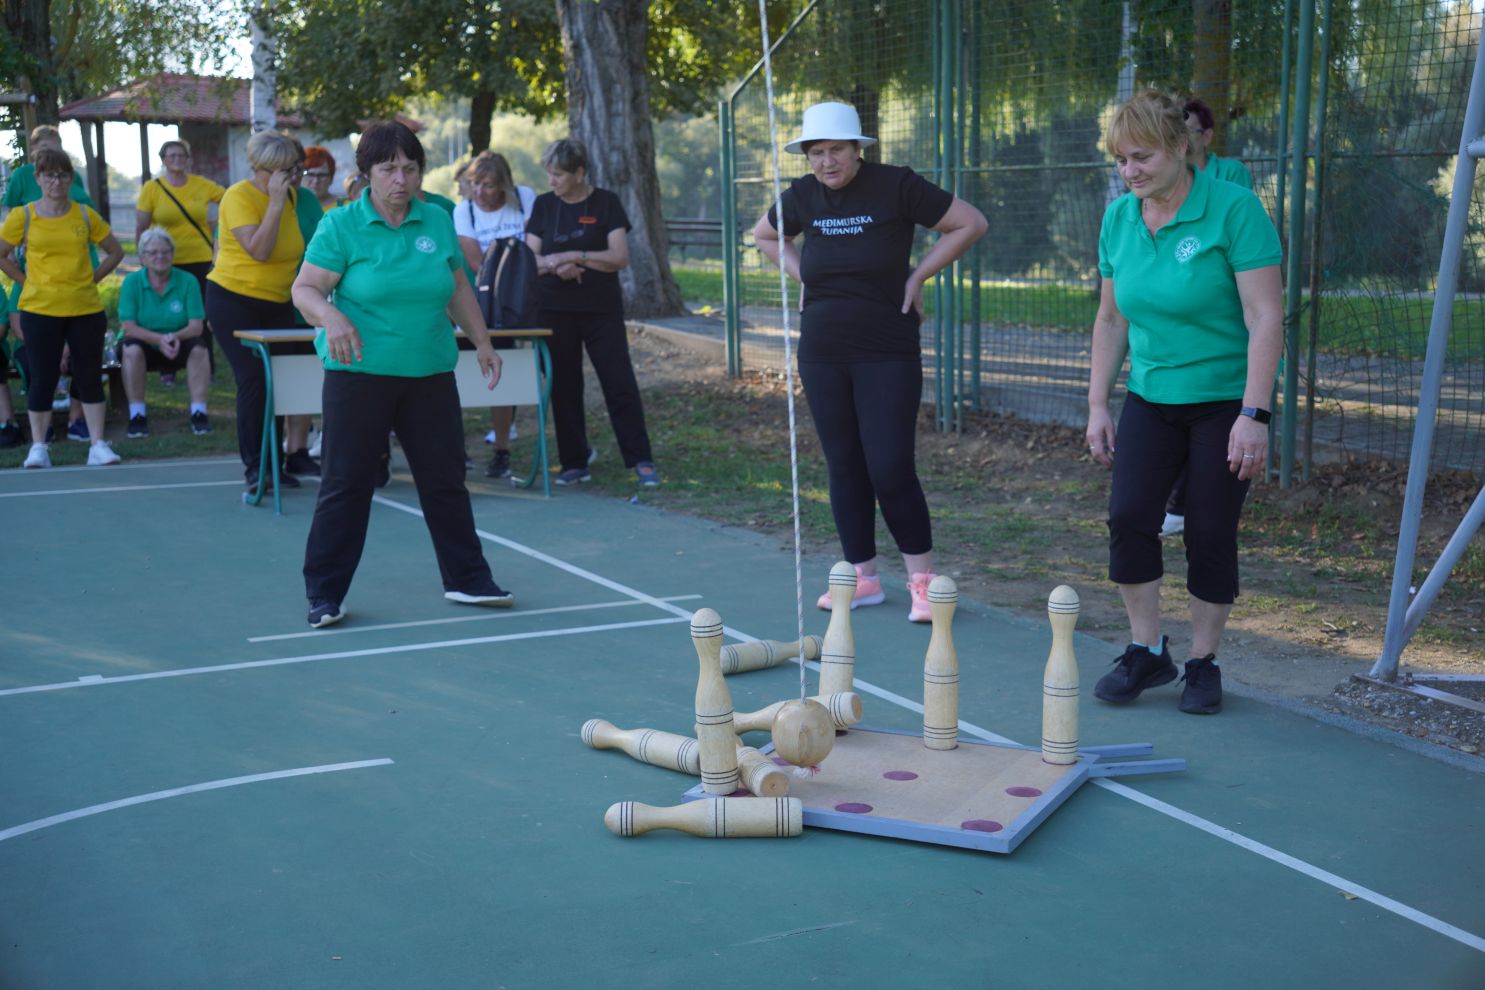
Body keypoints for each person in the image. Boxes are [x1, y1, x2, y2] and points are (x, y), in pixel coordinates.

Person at [1086, 89, 1282, 715]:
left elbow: (1265, 315)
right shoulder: (1120, 219)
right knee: (1129, 519)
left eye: (1142, 157)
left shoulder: (1235, 209)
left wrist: (1254, 415)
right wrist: (1097, 404)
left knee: (1210, 529)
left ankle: (1202, 661)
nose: (1131, 171)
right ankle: (1147, 652)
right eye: (1121, 160)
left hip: (1224, 399)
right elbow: (1111, 319)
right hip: (1151, 395)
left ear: (1179, 147)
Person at [752, 102, 987, 622]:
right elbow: (765, 236)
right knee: (844, 463)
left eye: (836, 150)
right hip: (822, 349)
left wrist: (919, 275)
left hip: (886, 347)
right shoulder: (801, 196)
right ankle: (863, 579)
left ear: (857, 149)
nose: (826, 162)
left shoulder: (896, 185)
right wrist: (803, 276)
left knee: (889, 464)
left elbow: (969, 223)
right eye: (816, 152)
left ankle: (922, 582)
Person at [292, 120, 514, 628]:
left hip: (429, 372)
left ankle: (468, 580)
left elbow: (457, 286)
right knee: (345, 484)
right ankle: (324, 594)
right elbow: (304, 290)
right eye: (388, 169)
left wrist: (482, 342)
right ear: (366, 173)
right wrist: (333, 316)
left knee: (444, 480)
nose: (401, 180)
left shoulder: (437, 220)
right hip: (358, 374)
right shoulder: (340, 225)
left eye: (410, 169)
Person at [526, 137, 658, 487]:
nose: (552, 181)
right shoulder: (543, 206)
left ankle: (640, 459)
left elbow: (619, 258)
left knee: (619, 382)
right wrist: (556, 265)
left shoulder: (606, 203)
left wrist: (576, 257)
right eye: (549, 174)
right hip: (553, 309)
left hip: (600, 310)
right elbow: (531, 261)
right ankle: (575, 461)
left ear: (580, 172)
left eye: (559, 174)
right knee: (564, 386)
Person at [1160, 98, 1259, 540]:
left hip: (1227, 308)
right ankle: (1180, 503)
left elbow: (1235, 234)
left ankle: (1195, 505)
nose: (1187, 137)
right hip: (1176, 329)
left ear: (1203, 138)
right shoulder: (1141, 202)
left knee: (1215, 414)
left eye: (1194, 131)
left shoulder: (1230, 178)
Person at [0, 146, 125, 468]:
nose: (56, 181)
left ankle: (97, 444)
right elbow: (2, 253)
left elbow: (115, 251)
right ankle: (39, 447)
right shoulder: (23, 215)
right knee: (42, 376)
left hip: (84, 308)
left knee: (89, 376)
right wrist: (26, 281)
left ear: (70, 178)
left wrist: (92, 278)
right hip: (40, 310)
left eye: (62, 174)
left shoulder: (84, 214)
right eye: (49, 174)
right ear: (38, 178)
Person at [206, 129, 307, 493]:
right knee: (254, 380)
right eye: (286, 172)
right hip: (233, 300)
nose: (293, 178)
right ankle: (255, 470)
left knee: (279, 383)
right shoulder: (239, 197)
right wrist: (276, 205)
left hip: (277, 302)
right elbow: (260, 251)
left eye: (294, 171)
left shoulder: (292, 197)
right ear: (265, 170)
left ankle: (275, 464)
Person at [456, 150, 535, 479]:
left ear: (503, 185)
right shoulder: (465, 211)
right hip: (482, 302)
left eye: (488, 185)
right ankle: (456, 448)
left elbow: (532, 250)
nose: (481, 192)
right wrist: (508, 259)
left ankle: (502, 447)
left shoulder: (524, 197)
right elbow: (477, 263)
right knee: (460, 375)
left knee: (505, 377)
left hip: (518, 303)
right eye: (475, 184)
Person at [118, 227, 210, 437]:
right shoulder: (132, 283)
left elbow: (196, 326)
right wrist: (160, 340)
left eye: (166, 251)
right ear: (142, 257)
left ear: (172, 254)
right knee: (130, 350)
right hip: (144, 342)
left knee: (199, 349)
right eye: (153, 252)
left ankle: (199, 414)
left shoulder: (188, 280)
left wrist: (173, 337)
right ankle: (137, 415)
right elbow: (128, 327)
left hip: (179, 340)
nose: (160, 256)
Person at [302, 146, 339, 211]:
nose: (316, 181)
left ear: (331, 178)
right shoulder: (290, 207)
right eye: (310, 174)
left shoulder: (346, 207)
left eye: (322, 175)